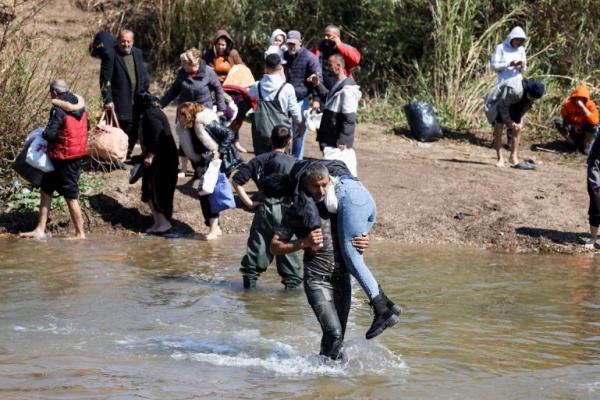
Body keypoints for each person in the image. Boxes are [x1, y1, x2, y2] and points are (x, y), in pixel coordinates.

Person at [264, 161, 401, 340]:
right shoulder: (298, 211)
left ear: (330, 181)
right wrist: (303, 242)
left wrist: (364, 237)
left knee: (337, 339)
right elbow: (274, 247)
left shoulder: (339, 205)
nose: (320, 191)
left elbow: (356, 226)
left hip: (342, 281)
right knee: (334, 334)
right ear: (306, 185)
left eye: (324, 185)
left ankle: (326, 367)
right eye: (315, 186)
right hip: (317, 280)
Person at [232, 125, 302, 290]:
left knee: (254, 258)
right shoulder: (296, 163)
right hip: (287, 211)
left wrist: (249, 203)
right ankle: (287, 305)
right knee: (289, 262)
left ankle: (249, 294)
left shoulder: (259, 159)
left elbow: (236, 181)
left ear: (270, 140)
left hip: (265, 208)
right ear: (289, 141)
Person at [20, 79, 88, 240]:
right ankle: (40, 229)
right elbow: (87, 127)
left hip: (65, 157)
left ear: (54, 93)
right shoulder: (81, 105)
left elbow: (50, 133)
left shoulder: (58, 109)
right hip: (71, 154)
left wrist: (41, 134)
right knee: (46, 188)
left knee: (71, 195)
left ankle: (80, 234)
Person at [176, 102, 242, 239]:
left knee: (207, 193)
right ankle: (215, 228)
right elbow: (192, 151)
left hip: (221, 160)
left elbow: (229, 134)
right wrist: (198, 167)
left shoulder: (204, 122)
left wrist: (219, 151)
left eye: (180, 115)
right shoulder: (186, 129)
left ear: (187, 115)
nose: (178, 118)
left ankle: (214, 229)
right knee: (205, 193)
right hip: (206, 162)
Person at [160, 48, 229, 178]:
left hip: (203, 112)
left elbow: (218, 89)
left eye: (184, 64)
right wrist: (161, 104)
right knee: (184, 140)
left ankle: (202, 168)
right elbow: (173, 90)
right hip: (185, 112)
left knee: (202, 141)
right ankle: (183, 168)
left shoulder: (208, 72)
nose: (181, 66)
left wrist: (221, 109)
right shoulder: (182, 73)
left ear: (193, 64)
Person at [100, 29, 150, 158]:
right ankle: (118, 155)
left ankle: (126, 153)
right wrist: (108, 99)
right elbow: (105, 80)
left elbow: (142, 73)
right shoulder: (110, 54)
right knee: (123, 127)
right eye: (123, 41)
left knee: (136, 126)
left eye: (128, 41)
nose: (125, 44)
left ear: (132, 42)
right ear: (118, 41)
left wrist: (145, 89)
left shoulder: (137, 53)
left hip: (137, 98)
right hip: (120, 100)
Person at [138, 94, 179, 234]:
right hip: (166, 157)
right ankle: (159, 222)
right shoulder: (156, 112)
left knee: (155, 190)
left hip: (161, 160)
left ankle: (163, 223)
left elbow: (157, 135)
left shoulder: (150, 114)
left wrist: (150, 154)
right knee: (152, 190)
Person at [484, 76, 545, 167]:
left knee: (518, 128)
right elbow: (502, 107)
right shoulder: (515, 90)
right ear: (529, 92)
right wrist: (509, 122)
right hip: (499, 102)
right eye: (532, 98)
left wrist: (519, 121)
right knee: (499, 126)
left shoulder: (532, 93)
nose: (533, 100)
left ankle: (513, 157)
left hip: (513, 102)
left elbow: (525, 108)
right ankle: (500, 158)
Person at [249, 53, 302, 156]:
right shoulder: (287, 88)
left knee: (262, 164)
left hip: (261, 134)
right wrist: (300, 126)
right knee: (281, 165)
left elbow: (250, 96)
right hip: (281, 136)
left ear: (266, 67)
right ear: (280, 67)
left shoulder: (257, 86)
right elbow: (295, 113)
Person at [309, 54, 361, 154]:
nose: (327, 68)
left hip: (337, 141)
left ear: (338, 66)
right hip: (330, 136)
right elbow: (328, 98)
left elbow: (349, 117)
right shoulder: (338, 83)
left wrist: (343, 140)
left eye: (329, 65)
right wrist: (317, 84)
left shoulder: (347, 88)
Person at [283, 30, 322, 160]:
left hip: (300, 100)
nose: (291, 46)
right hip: (283, 99)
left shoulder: (310, 57)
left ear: (301, 42)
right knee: (281, 130)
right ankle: (284, 160)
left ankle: (296, 161)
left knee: (298, 133)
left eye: (294, 43)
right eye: (289, 44)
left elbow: (317, 79)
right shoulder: (283, 56)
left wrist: (316, 100)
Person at [490, 26, 528, 149]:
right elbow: (494, 65)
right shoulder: (500, 48)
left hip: (517, 84)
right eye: (515, 39)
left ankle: (511, 140)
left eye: (520, 40)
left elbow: (524, 68)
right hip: (503, 83)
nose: (517, 42)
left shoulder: (521, 49)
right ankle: (496, 139)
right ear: (511, 38)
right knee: (500, 110)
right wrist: (508, 64)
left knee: (515, 111)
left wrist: (521, 65)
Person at [311, 25, 361, 91]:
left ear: (337, 37)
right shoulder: (318, 48)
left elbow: (355, 60)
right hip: (323, 89)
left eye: (328, 36)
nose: (325, 38)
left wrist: (339, 45)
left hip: (342, 87)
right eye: (324, 35)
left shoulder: (345, 48)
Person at [555, 84, 599, 155]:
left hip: (585, 132)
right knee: (558, 121)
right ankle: (571, 142)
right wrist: (574, 125)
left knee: (594, 126)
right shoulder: (568, 105)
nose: (579, 99)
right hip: (574, 130)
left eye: (582, 98)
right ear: (574, 97)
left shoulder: (591, 105)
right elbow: (565, 118)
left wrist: (582, 107)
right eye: (577, 97)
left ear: (586, 98)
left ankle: (587, 144)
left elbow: (594, 121)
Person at [586, 138, 600, 249]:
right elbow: (593, 164)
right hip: (596, 178)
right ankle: (593, 238)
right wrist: (597, 187)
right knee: (596, 209)